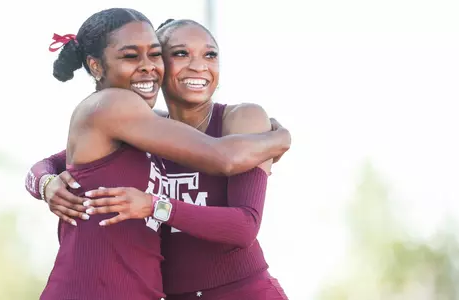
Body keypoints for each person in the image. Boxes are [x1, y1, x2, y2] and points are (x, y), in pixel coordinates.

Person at [28, 8, 291, 300]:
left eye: (210, 55)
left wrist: (45, 181)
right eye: (180, 54)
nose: (198, 66)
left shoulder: (229, 120)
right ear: (97, 66)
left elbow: (244, 228)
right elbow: (224, 158)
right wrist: (280, 138)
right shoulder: (127, 116)